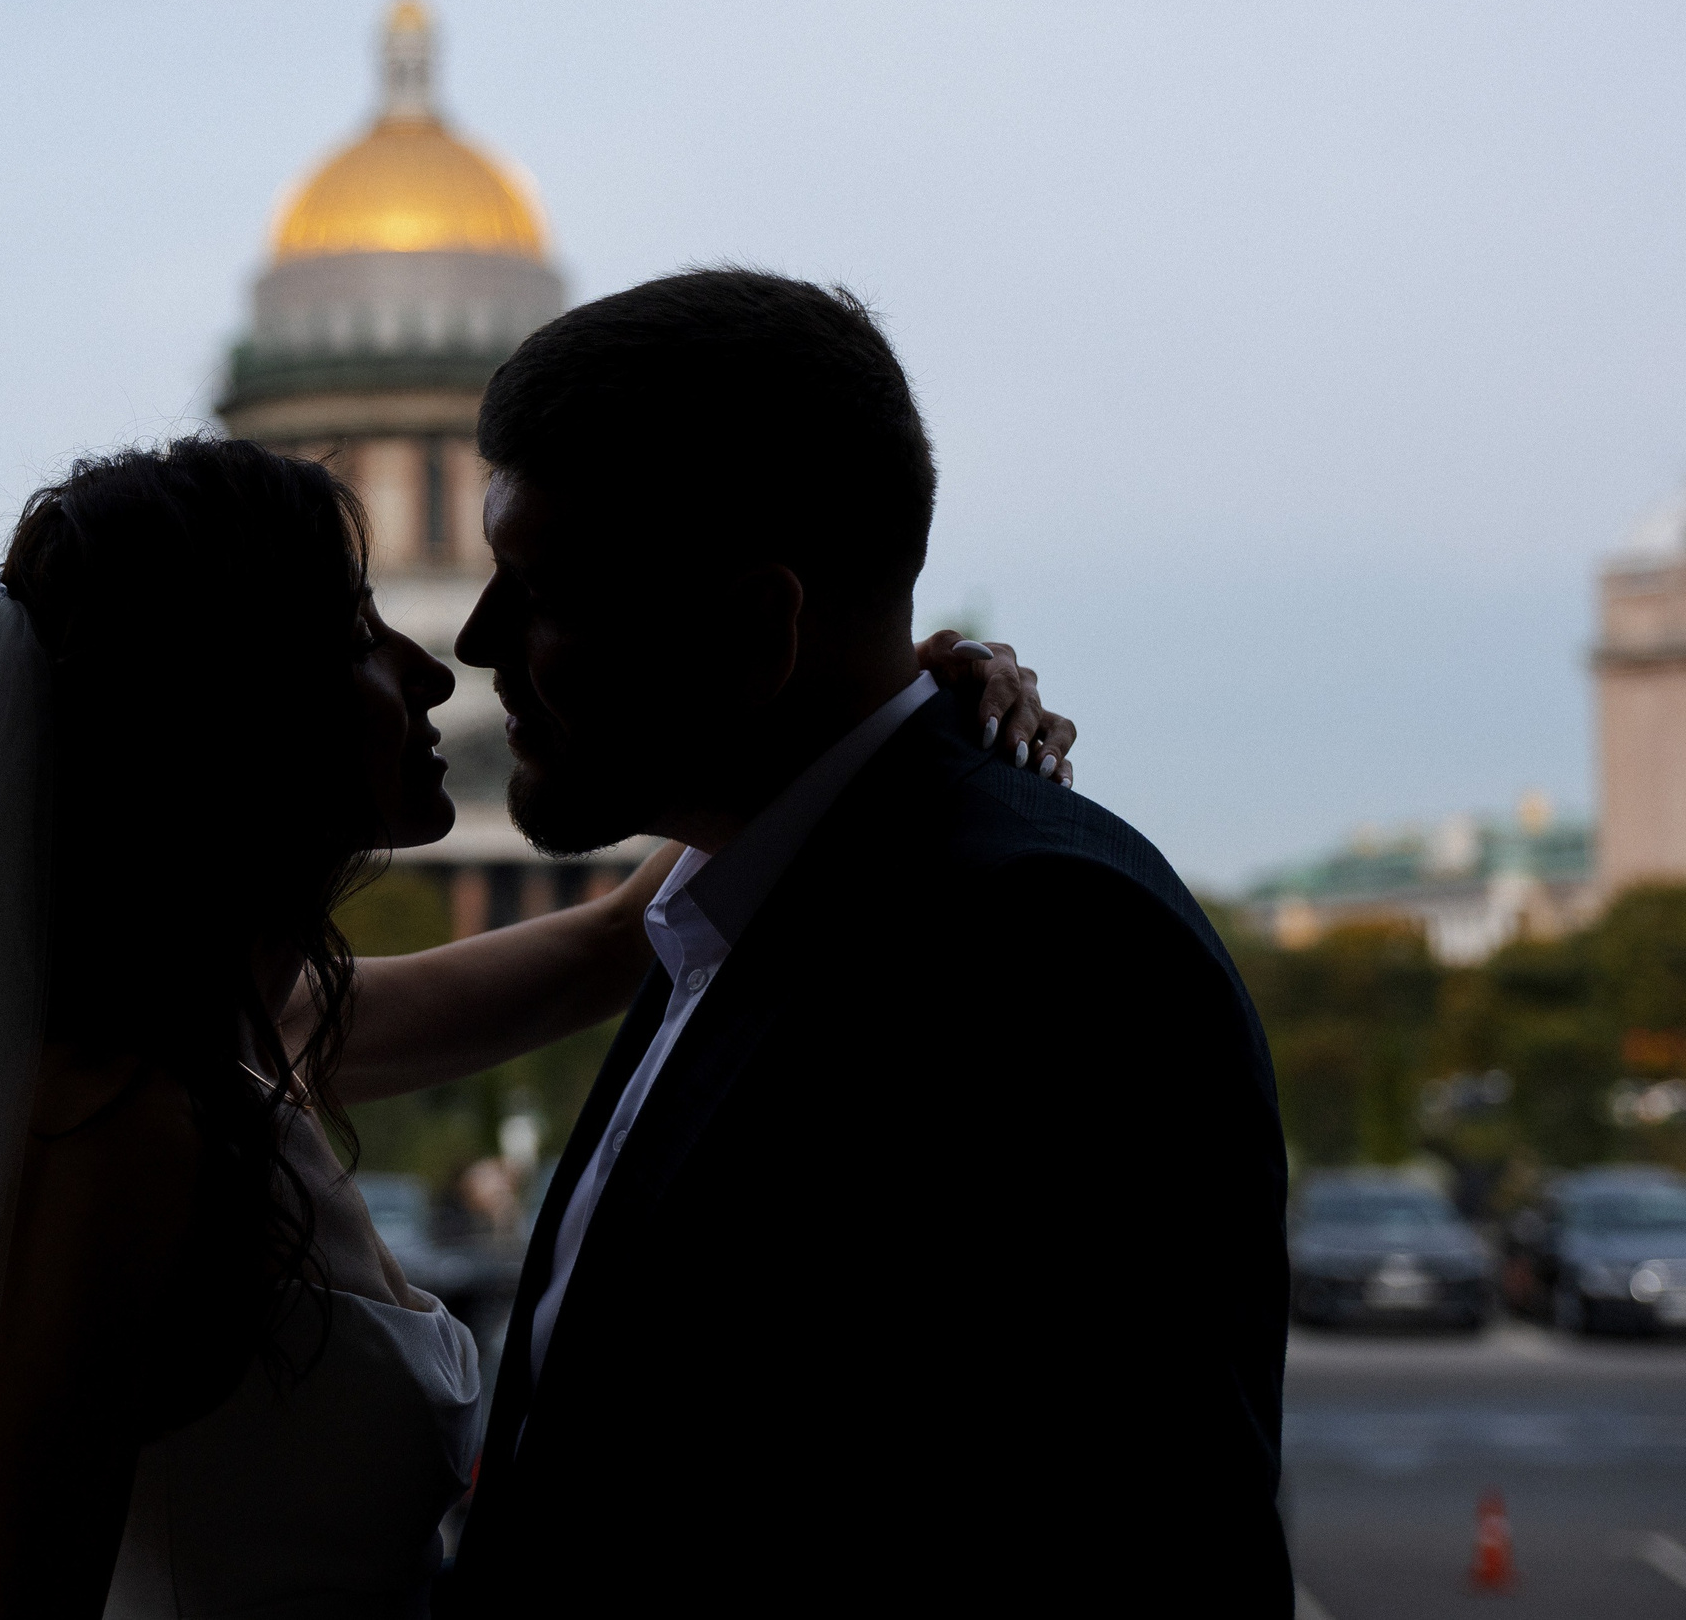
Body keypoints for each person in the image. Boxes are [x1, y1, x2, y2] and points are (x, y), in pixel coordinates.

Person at [0, 436, 1074, 1619]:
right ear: (235, 705)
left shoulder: (233, 1048)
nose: (438, 667)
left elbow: (616, 944)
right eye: (361, 634)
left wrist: (878, 703)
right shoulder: (130, 1129)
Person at [436, 269, 1291, 1616]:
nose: (474, 647)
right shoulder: (738, 906)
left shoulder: (1041, 954)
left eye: (543, 589)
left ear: (758, 630)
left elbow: (1145, 1541)